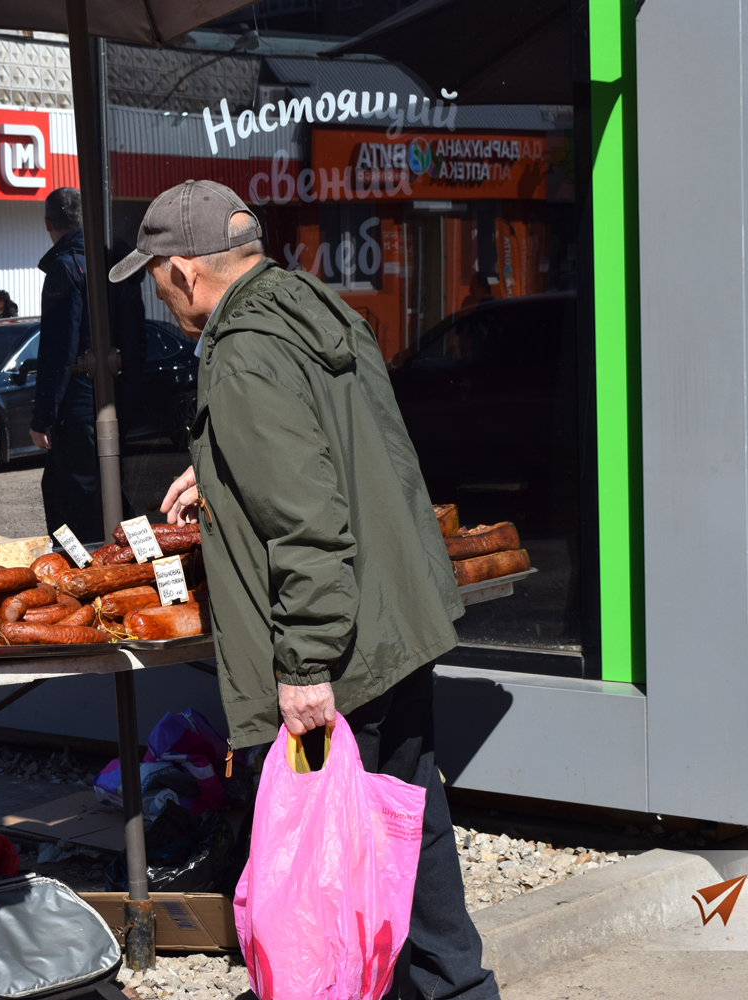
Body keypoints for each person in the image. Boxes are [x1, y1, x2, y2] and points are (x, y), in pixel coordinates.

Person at [111, 180, 499, 1000]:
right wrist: (219, 464)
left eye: (153, 273)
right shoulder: (308, 304)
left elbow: (308, 521)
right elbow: (335, 448)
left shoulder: (243, 348)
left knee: (329, 854)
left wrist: (305, 667)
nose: (153, 289)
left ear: (183, 271)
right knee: (405, 821)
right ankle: (458, 989)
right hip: (392, 620)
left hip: (340, 651)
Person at [29, 187, 144, 541]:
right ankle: (128, 572)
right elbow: (136, 338)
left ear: (49, 223)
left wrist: (42, 418)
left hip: (77, 411)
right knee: (113, 498)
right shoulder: (114, 264)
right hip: (116, 401)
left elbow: (58, 351)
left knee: (71, 506)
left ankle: (87, 582)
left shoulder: (65, 268)